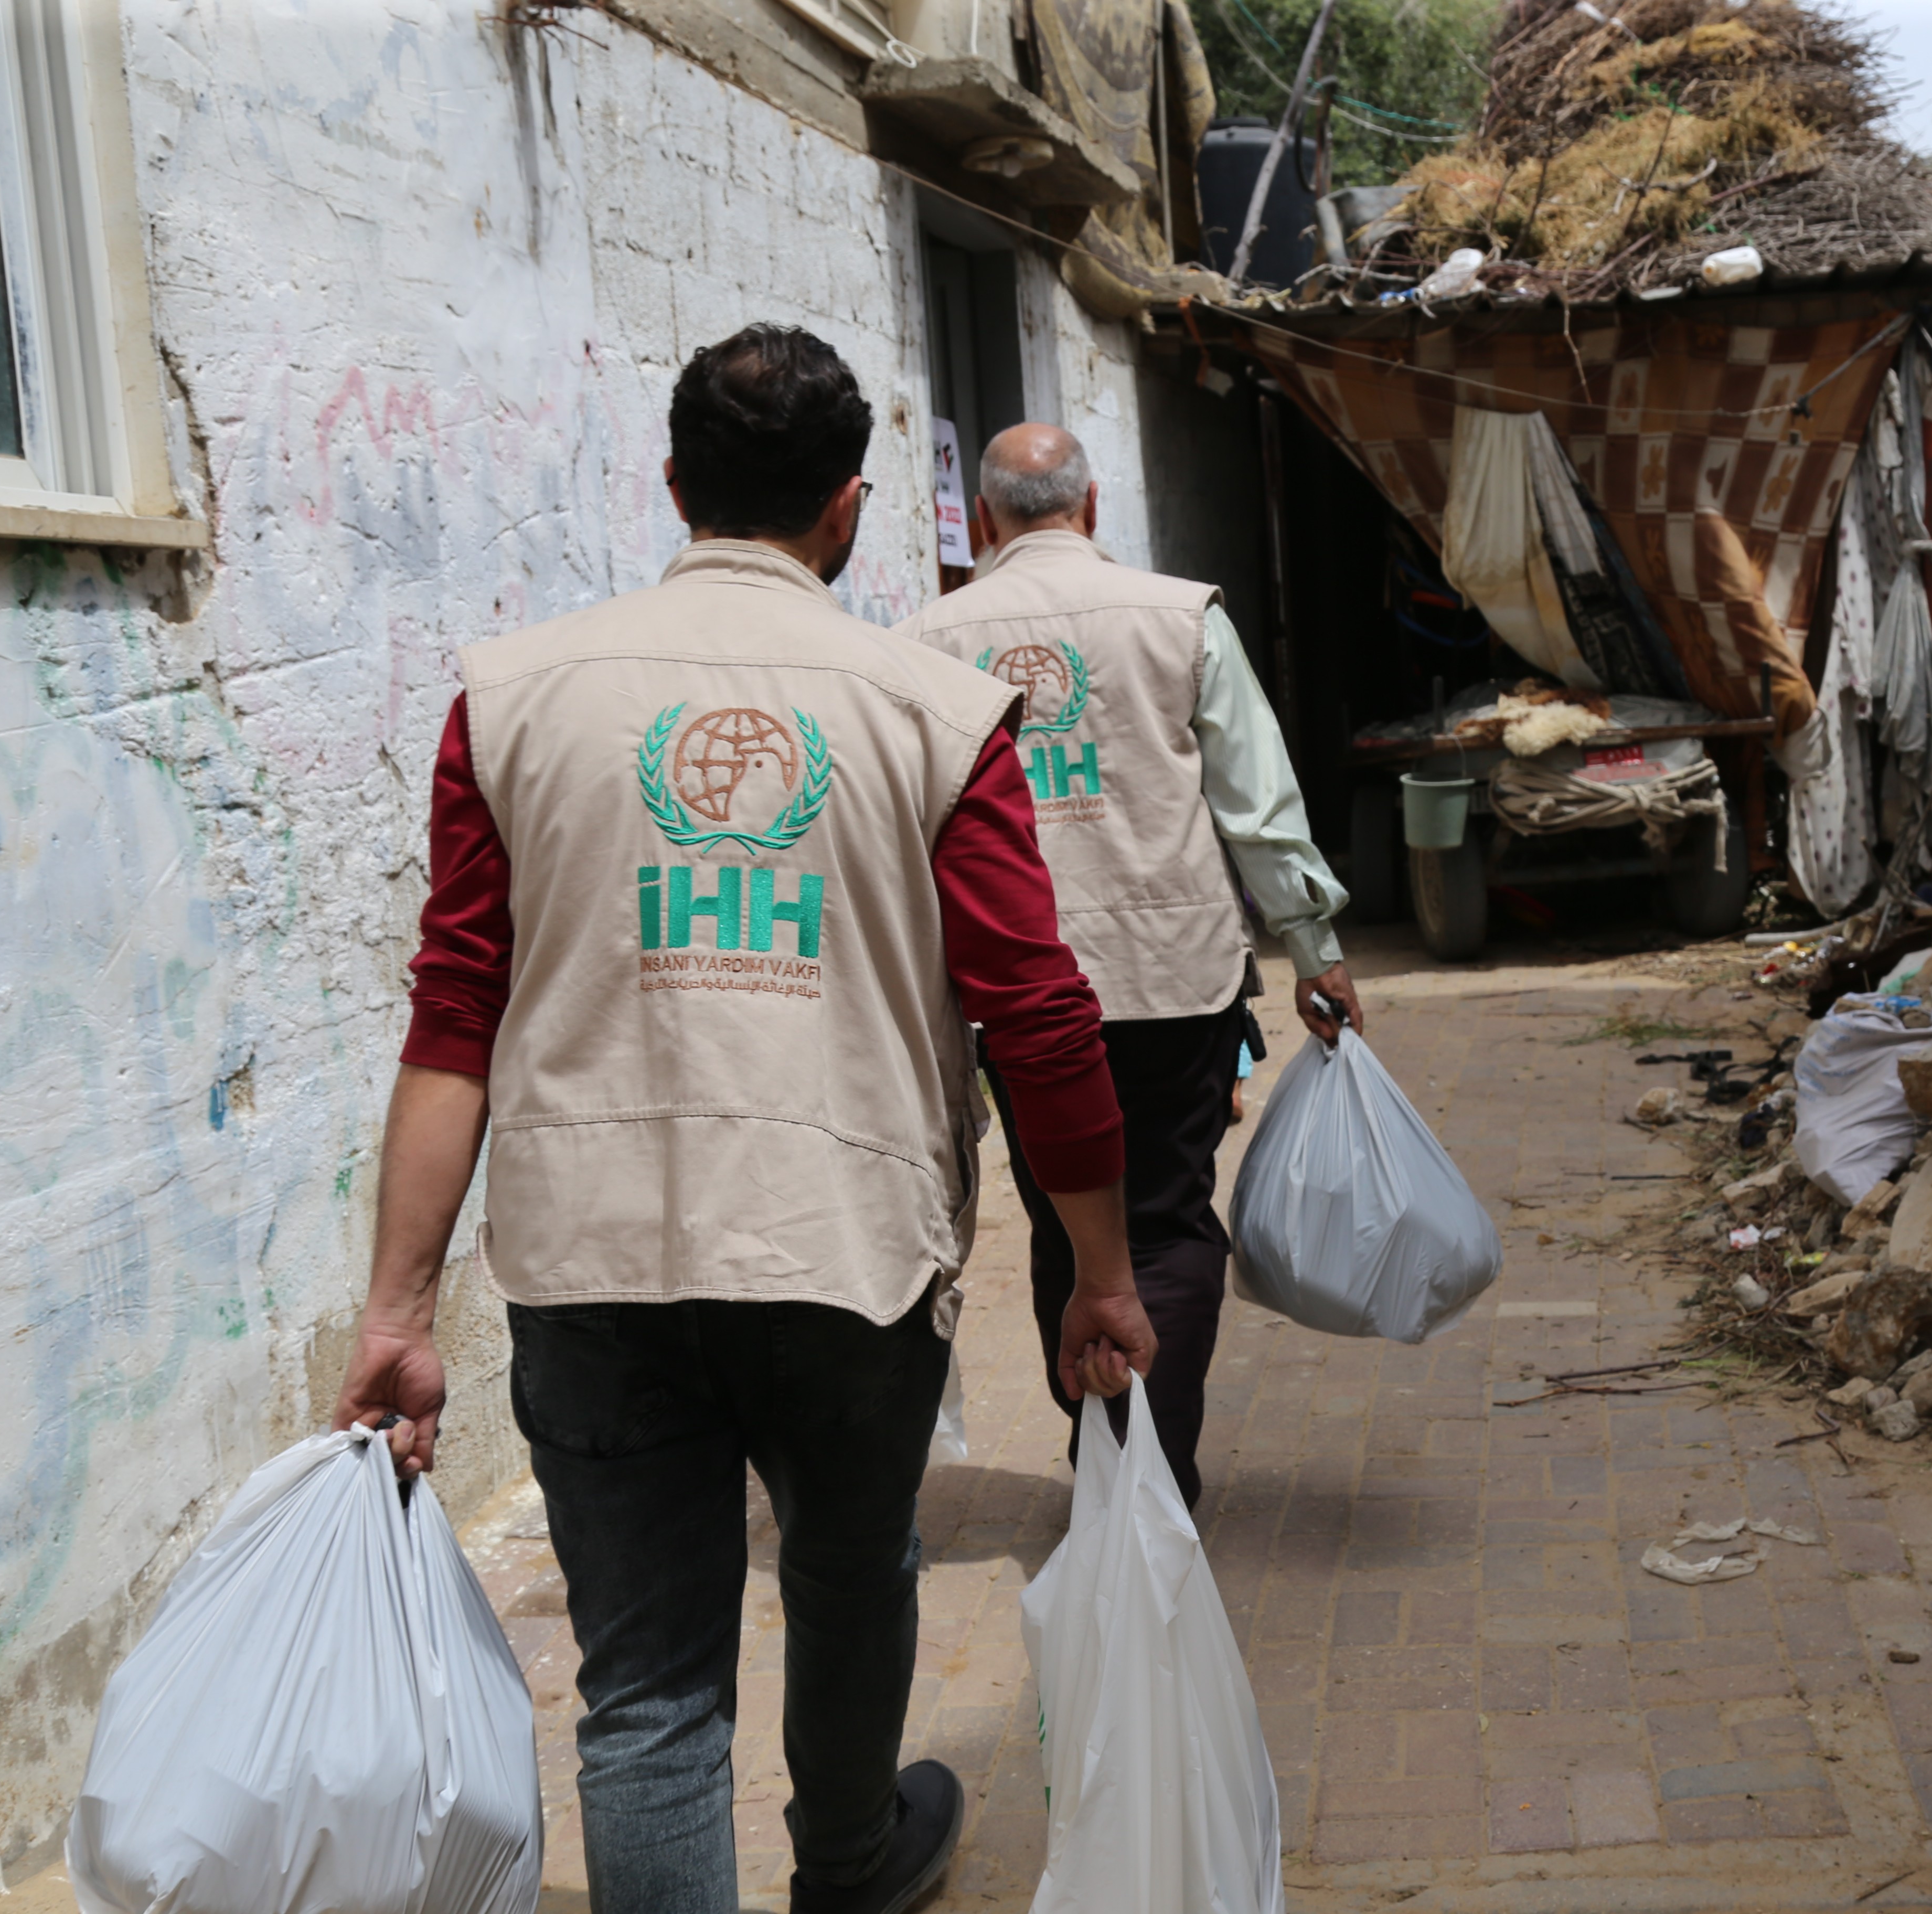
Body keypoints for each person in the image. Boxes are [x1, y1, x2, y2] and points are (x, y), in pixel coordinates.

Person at [330, 327, 1157, 1914]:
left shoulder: (510, 701)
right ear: (851, 509)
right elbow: (1038, 1016)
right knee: (853, 1583)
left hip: (593, 1261)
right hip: (844, 1254)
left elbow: (455, 1019)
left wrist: (398, 1306)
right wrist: (1103, 1271)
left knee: (647, 1690)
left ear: (672, 488)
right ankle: (847, 1863)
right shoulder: (938, 708)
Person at [896, 424, 1357, 1509]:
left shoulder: (926, 637)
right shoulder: (1180, 616)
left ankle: (1107, 1455)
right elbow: (1258, 804)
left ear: (981, 520)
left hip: (1014, 992)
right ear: (1092, 508)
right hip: (1172, 975)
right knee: (1168, 1217)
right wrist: (1315, 948)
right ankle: (1157, 1471)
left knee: (1067, 1217)